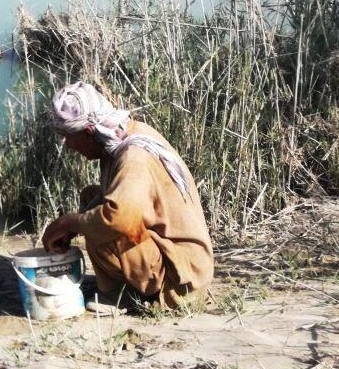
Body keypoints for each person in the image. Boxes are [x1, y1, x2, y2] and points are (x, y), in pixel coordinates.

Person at [40, 81, 214, 311]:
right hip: (183, 265)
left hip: (181, 279)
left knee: (106, 220)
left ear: (89, 132)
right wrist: (75, 225)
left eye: (68, 137)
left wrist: (69, 222)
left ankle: (123, 295)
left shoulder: (133, 156)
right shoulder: (124, 135)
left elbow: (120, 218)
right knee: (92, 198)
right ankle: (127, 285)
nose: (68, 145)